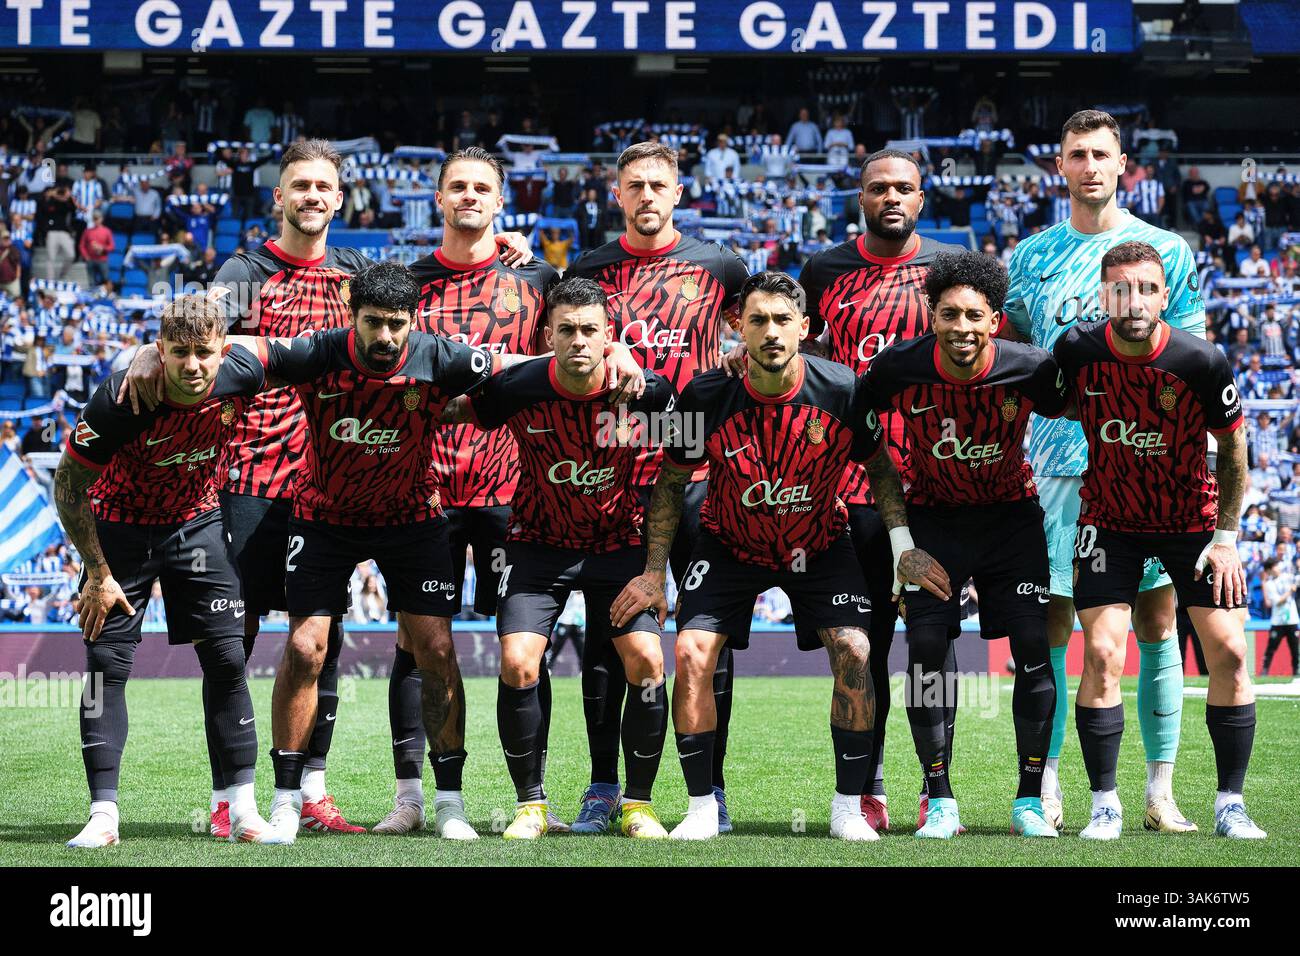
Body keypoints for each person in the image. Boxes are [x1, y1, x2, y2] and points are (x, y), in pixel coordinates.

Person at [611, 270, 945, 841]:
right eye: (758, 320)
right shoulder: (706, 395)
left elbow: (882, 471)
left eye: (783, 321)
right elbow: (670, 483)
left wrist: (903, 550)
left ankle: (846, 806)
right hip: (729, 544)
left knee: (857, 650)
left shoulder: (843, 390)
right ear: (737, 326)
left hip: (818, 544)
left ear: (804, 328)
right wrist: (651, 574)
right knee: (692, 653)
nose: (770, 332)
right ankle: (701, 809)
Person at [1003, 109, 1207, 834]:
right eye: (1076, 154)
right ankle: (1049, 781)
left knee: (1157, 619)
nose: (1089, 165)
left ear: (1124, 164)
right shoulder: (1029, 257)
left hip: (1147, 466)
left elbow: (1195, 356)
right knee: (1056, 621)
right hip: (1058, 467)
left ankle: (1160, 790)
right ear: (1059, 166)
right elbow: (1019, 357)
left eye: (1101, 153)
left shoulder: (1165, 252)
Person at [563, 141, 749, 834]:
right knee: (610, 639)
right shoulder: (589, 269)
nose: (646, 195)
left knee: (709, 638)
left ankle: (713, 790)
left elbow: (760, 324)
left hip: (700, 476)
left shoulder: (720, 266)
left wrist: (736, 348)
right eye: (634, 185)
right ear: (618, 193)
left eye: (658, 185)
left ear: (678, 193)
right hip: (613, 476)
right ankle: (603, 787)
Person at [442, 276, 670, 839]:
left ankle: (636, 806)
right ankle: (532, 806)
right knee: (519, 662)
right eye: (565, 330)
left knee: (647, 662)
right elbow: (457, 411)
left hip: (618, 545)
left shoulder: (648, 392)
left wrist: (655, 569)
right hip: (537, 545)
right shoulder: (519, 384)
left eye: (591, 330)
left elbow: (679, 467)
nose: (578, 341)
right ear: (547, 335)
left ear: (609, 335)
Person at [53, 294, 279, 848]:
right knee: (105, 667)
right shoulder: (117, 399)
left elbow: (317, 349)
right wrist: (98, 572)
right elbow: (67, 488)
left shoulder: (243, 370)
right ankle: (104, 815)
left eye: (205, 352)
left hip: (197, 523)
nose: (194, 365)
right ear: (160, 350)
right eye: (180, 352)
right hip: (119, 530)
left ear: (224, 351)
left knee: (228, 658)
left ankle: (243, 811)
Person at [1057, 238, 1264, 840]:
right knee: (1099, 655)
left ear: (1164, 295)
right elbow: (1061, 404)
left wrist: (1226, 537)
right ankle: (1105, 805)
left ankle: (1230, 803)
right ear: (1103, 295)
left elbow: (1233, 448)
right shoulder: (1076, 349)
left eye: (1146, 287)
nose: (1133, 299)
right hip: (1109, 522)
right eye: (1120, 287)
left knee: (1228, 651)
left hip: (1191, 524)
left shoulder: (1202, 361)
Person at [861, 250, 1064, 839]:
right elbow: (865, 439)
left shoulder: (1030, 367)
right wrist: (901, 539)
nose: (962, 328)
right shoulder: (898, 367)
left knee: (1032, 644)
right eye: (949, 314)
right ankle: (939, 798)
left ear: (995, 319)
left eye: (974, 315)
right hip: (933, 524)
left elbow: (1083, 406)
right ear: (932, 316)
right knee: (926, 647)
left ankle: (1029, 799)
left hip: (1011, 523)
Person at [796, 148, 965, 833]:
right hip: (852, 491)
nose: (891, 196)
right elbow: (801, 370)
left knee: (933, 650)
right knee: (862, 649)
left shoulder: (952, 267)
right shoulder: (824, 271)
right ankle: (867, 786)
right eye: (878, 187)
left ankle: (938, 787)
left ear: (922, 198)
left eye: (904, 188)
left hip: (933, 491)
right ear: (859, 196)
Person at [1261, 558, 1299, 676]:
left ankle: (1296, 672)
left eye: (1277, 565)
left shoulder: (1287, 577)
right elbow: (1277, 601)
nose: (1278, 568)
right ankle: (1265, 671)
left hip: (1292, 620)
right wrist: (1290, 592)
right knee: (1271, 649)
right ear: (1269, 570)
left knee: (1295, 649)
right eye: (1275, 566)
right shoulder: (1269, 584)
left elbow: (1297, 579)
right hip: (1277, 622)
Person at [78, 211, 114, 288]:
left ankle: (108, 294)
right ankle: (93, 295)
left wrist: (102, 248)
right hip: (90, 259)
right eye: (94, 219)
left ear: (101, 219)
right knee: (91, 281)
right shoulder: (88, 231)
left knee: (106, 279)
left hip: (102, 260)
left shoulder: (107, 231)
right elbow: (82, 245)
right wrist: (86, 256)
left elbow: (112, 247)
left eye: (97, 218)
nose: (96, 220)